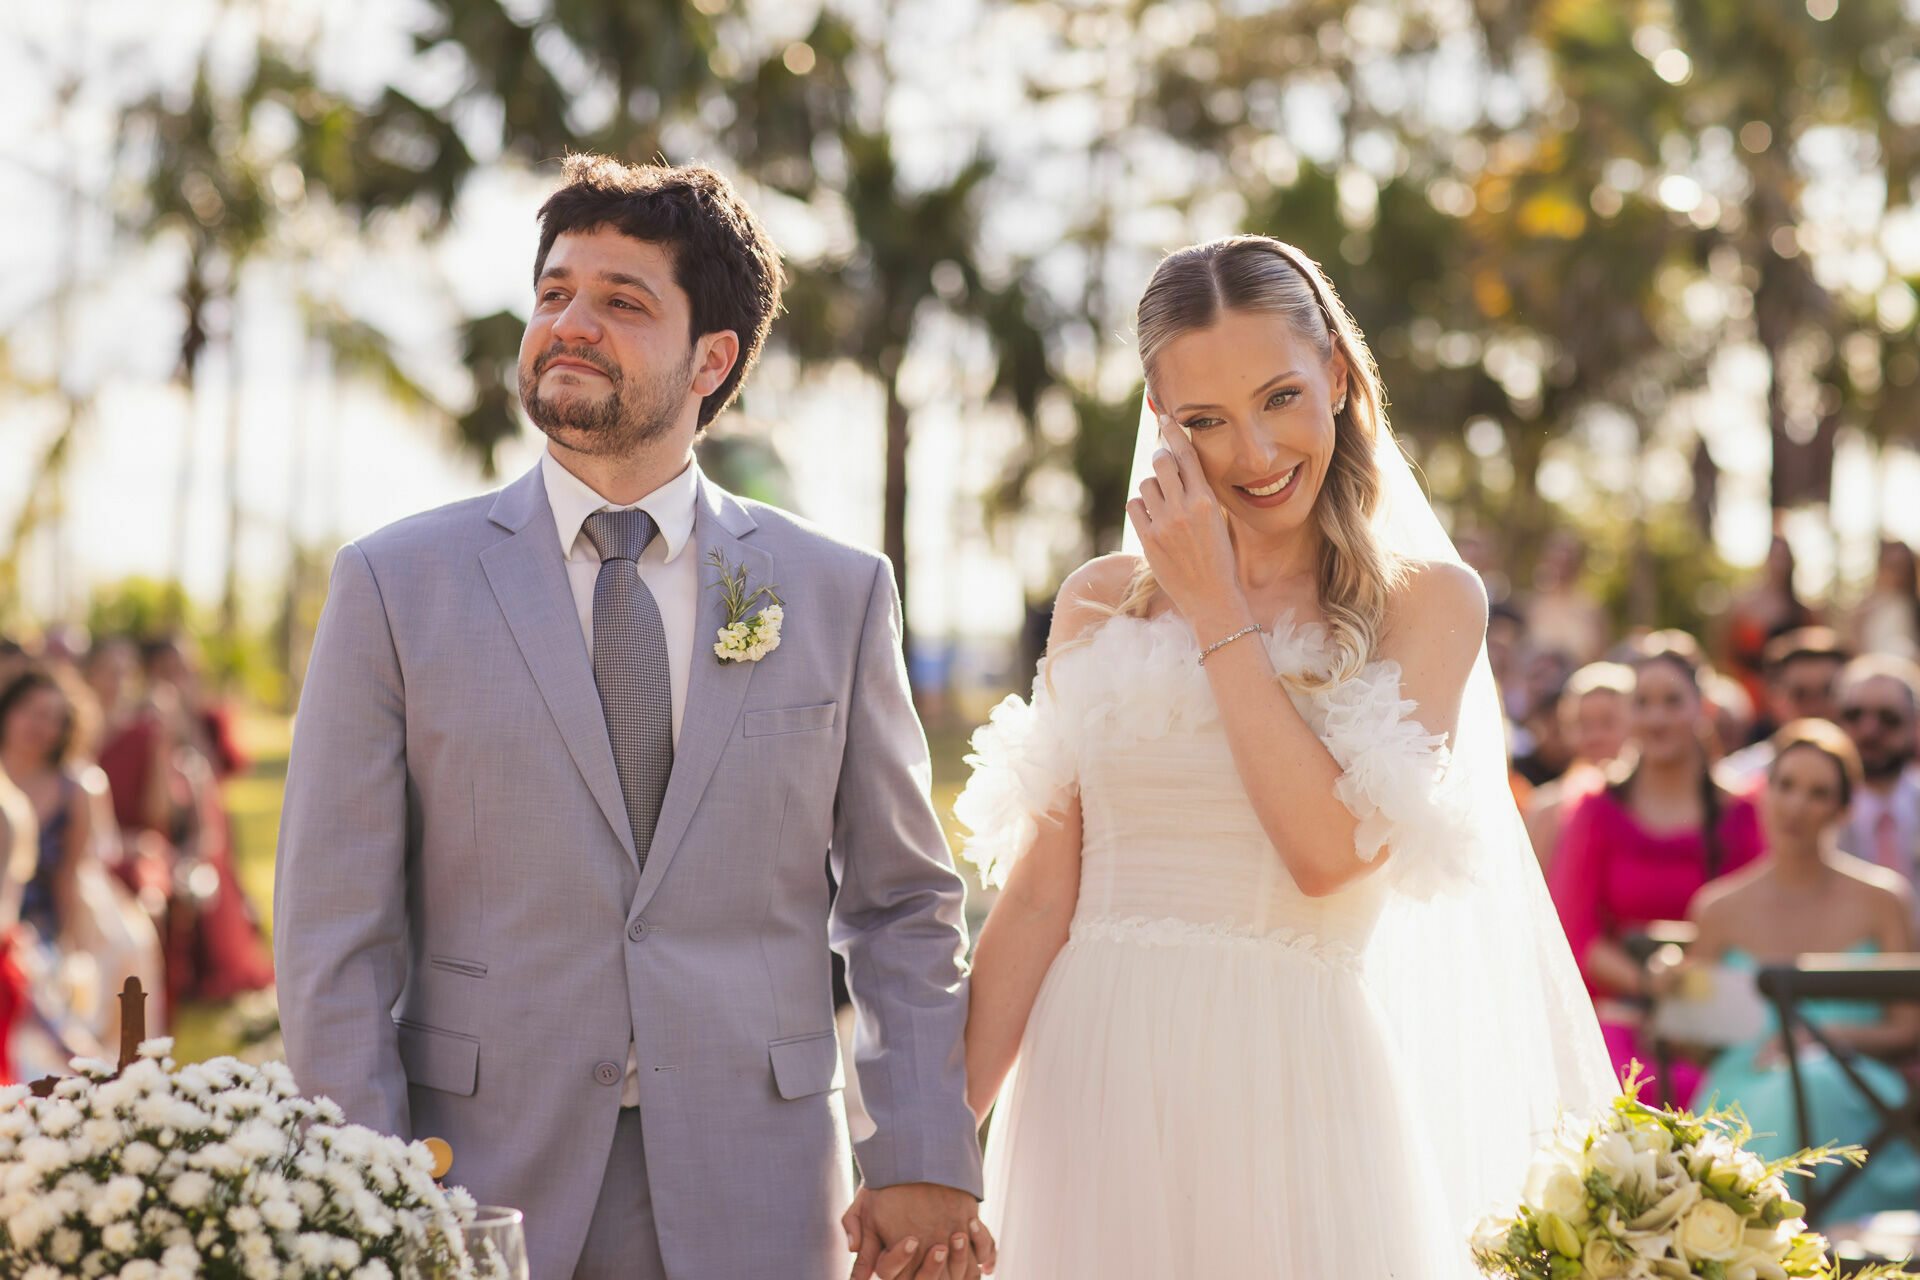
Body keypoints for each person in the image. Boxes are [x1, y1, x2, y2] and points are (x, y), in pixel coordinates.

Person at [275, 155, 987, 1280]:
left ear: (714, 358)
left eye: (621, 301)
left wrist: (920, 1148)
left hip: (762, 1187)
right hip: (471, 1181)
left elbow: (900, 902)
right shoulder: (392, 584)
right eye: (555, 292)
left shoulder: (837, 591)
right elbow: (334, 933)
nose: (570, 323)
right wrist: (364, 1189)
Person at [846, 236, 1615, 1276]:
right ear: (1162, 423)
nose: (1252, 453)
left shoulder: (1427, 602)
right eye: (1205, 420)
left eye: (1280, 398)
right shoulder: (1095, 599)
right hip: (1093, 1080)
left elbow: (1328, 853)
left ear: (1338, 377)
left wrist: (1214, 605)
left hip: (1292, 1079)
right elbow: (1036, 901)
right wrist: (928, 1160)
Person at [1662, 721, 1920, 1220]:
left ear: (1844, 809)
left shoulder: (1883, 899)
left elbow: (1909, 1025)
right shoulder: (1717, 908)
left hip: (1858, 1089)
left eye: (1818, 792)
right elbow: (1694, 1042)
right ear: (1765, 792)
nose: (1797, 805)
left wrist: (1821, 1037)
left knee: (1812, 1083)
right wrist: (1677, 993)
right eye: (1785, 786)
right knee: (1781, 1094)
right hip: (1744, 1087)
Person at [1548, 636, 1764, 1105]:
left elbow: (1758, 926)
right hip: (1621, 1014)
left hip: (1718, 1019)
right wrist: (1650, 985)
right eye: (1643, 703)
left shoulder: (1741, 813)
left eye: (1672, 701)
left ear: (1702, 708)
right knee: (1621, 1085)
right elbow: (1577, 936)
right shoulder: (1596, 811)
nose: (1658, 718)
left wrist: (1688, 990)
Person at [1524, 661, 1634, 868]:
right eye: (1582, 724)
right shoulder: (1546, 808)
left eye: (1607, 722)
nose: (1594, 736)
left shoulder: (1651, 806)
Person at [1716, 626, 1849, 792]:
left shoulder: (1876, 776)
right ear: (1775, 699)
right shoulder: (1736, 780)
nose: (1815, 707)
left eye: (1828, 693)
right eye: (1800, 694)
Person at [1833, 654, 1920, 897]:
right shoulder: (1818, 811)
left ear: (1915, 725)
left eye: (1888, 718)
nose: (1869, 730)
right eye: (1855, 715)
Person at [1721, 533, 1819, 716]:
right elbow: (1729, 656)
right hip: (1752, 698)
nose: (1778, 563)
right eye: (1774, 556)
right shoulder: (1743, 608)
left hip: (1793, 697)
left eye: (1783, 557)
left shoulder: (1803, 611)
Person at [1849, 538, 1920, 660]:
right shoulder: (1864, 609)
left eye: (1903, 566)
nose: (1898, 573)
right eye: (1892, 566)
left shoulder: (1913, 607)